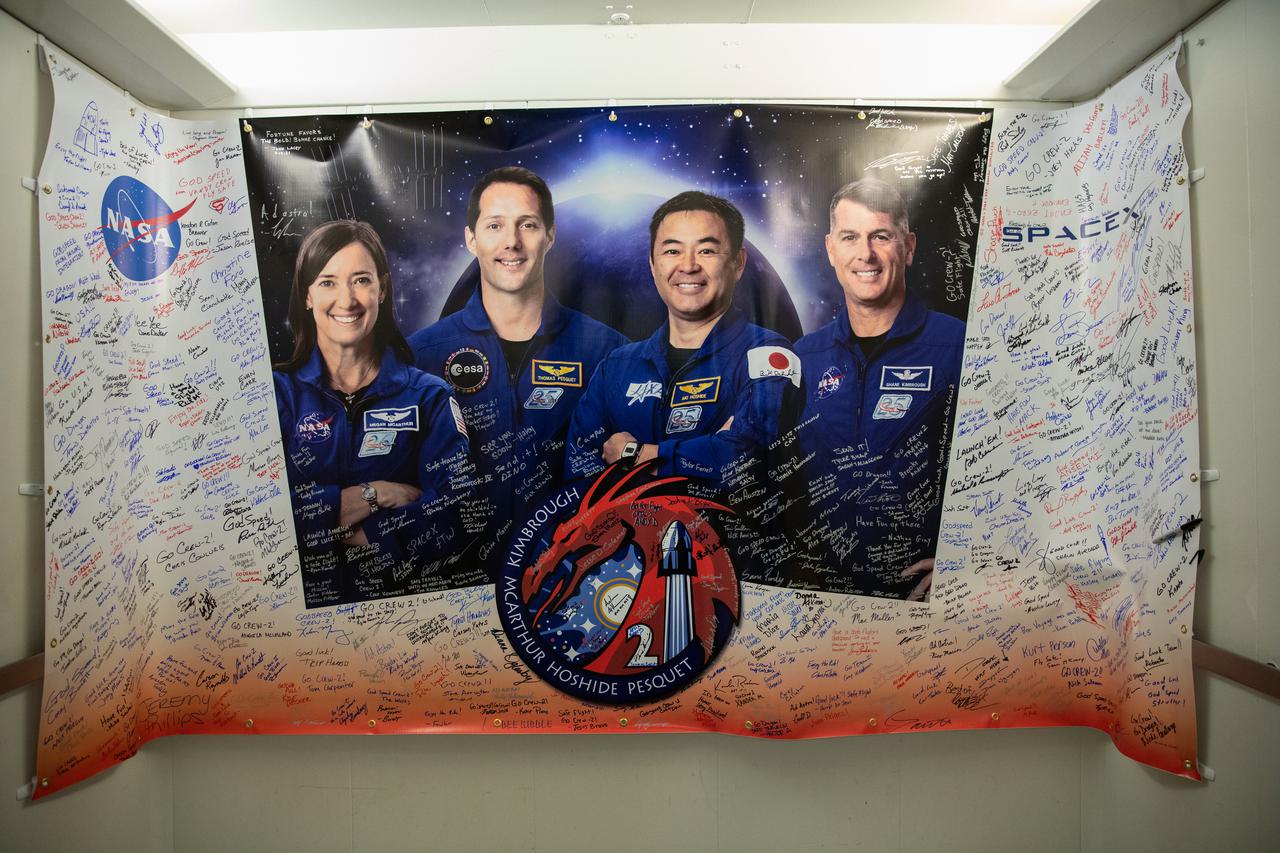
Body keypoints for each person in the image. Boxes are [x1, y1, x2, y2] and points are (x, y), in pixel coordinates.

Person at [407, 167, 627, 570]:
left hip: (570, 580)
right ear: (471, 239)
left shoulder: (608, 352)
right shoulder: (421, 356)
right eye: (495, 225)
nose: (512, 242)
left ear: (550, 236)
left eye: (527, 224)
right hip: (451, 584)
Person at [273, 220, 480, 607]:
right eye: (328, 282)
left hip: (406, 617)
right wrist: (375, 494)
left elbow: (457, 513)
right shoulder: (276, 397)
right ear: (306, 295)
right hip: (293, 624)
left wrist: (352, 534)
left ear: (382, 288)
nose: (346, 300)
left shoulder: (428, 397)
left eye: (361, 280)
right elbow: (259, 518)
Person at [789, 178, 966, 601]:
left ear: (908, 246)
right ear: (832, 249)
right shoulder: (802, 358)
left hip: (919, 608)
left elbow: (1011, 468)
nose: (865, 254)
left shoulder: (959, 346)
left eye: (880, 236)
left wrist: (969, 559)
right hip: (817, 602)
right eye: (850, 237)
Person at [565, 191, 800, 488]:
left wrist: (637, 456)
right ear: (653, 264)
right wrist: (709, 451)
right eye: (672, 251)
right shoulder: (616, 367)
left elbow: (748, 458)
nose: (688, 266)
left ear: (738, 263)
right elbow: (580, 472)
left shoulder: (768, 355)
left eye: (706, 251)